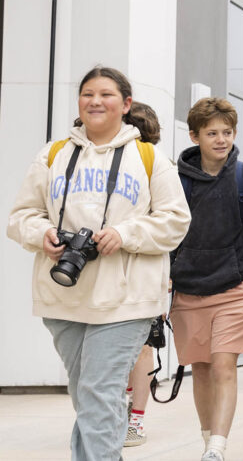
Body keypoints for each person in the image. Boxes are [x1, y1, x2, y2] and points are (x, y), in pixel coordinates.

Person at [7, 66, 190, 461]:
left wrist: (125, 234)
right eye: (87, 93)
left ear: (125, 104)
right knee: (87, 395)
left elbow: (176, 221)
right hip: (64, 294)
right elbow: (21, 216)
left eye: (106, 94)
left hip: (126, 299)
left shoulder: (149, 157)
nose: (95, 101)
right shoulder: (53, 154)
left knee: (99, 391)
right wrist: (43, 234)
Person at [170, 98, 243, 461]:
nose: (221, 140)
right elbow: (168, 237)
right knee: (201, 368)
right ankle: (207, 440)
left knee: (223, 365)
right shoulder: (177, 182)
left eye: (227, 132)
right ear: (194, 136)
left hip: (237, 291)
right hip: (189, 291)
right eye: (212, 133)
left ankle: (217, 446)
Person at [121, 101, 162, 449]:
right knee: (132, 349)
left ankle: (134, 419)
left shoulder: (156, 168)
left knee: (142, 348)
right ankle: (127, 417)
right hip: (122, 272)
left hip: (145, 273)